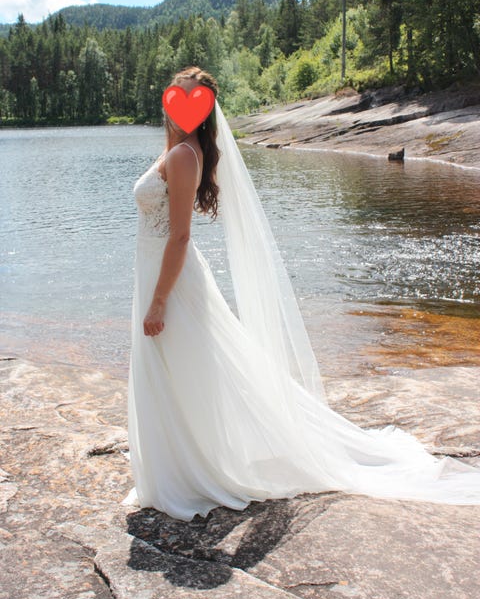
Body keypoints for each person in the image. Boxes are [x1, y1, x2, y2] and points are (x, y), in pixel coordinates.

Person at [122, 66, 480, 521]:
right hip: (160, 272)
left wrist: (158, 301)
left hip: (170, 281)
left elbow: (179, 236)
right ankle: (178, 465)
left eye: (192, 98)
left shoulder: (182, 156)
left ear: (205, 110)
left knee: (185, 367)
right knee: (179, 369)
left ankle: (191, 471)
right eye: (178, 95)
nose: (181, 106)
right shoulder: (179, 150)